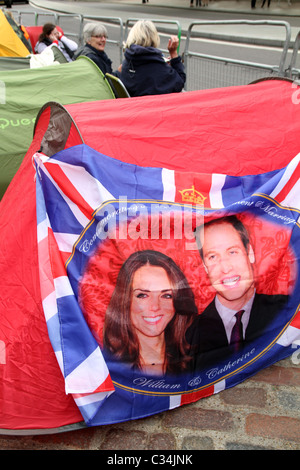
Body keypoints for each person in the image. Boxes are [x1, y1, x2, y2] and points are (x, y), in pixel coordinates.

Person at [186, 215, 289, 367]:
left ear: (250, 253)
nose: (226, 267)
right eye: (213, 257)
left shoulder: (288, 311)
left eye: (232, 252)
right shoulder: (189, 335)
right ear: (205, 266)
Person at [103, 250, 197, 376]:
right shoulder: (103, 367)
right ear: (124, 301)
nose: (155, 307)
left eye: (166, 295)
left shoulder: (198, 359)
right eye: (142, 295)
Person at [115, 20, 186, 97]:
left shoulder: (127, 61)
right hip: (153, 107)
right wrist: (173, 54)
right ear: (153, 38)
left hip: (132, 105)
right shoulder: (158, 67)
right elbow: (179, 82)